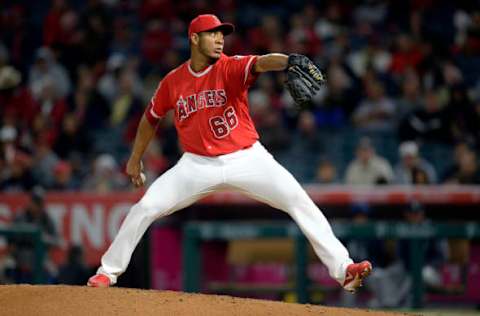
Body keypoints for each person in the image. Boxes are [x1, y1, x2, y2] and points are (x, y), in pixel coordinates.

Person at [87, 14, 372, 292]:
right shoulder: (173, 82)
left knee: (299, 201)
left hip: (247, 157)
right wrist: (135, 158)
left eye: (222, 34)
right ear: (195, 39)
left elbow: (260, 62)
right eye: (213, 34)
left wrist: (288, 61)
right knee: (146, 208)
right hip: (197, 164)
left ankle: (344, 270)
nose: (220, 39)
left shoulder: (230, 67)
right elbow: (151, 118)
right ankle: (107, 273)